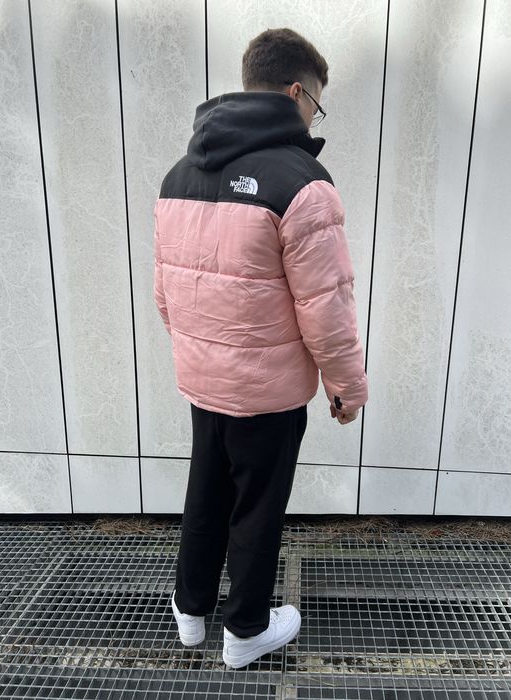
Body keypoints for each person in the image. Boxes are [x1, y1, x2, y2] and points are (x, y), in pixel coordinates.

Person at [153, 27, 368, 669]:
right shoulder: (302, 183)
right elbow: (327, 305)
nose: (313, 118)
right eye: (317, 105)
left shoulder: (180, 172)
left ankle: (191, 612)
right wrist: (346, 387)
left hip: (204, 379)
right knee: (257, 506)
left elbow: (164, 295)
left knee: (206, 490)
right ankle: (246, 630)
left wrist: (203, 353)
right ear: (297, 92)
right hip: (268, 393)